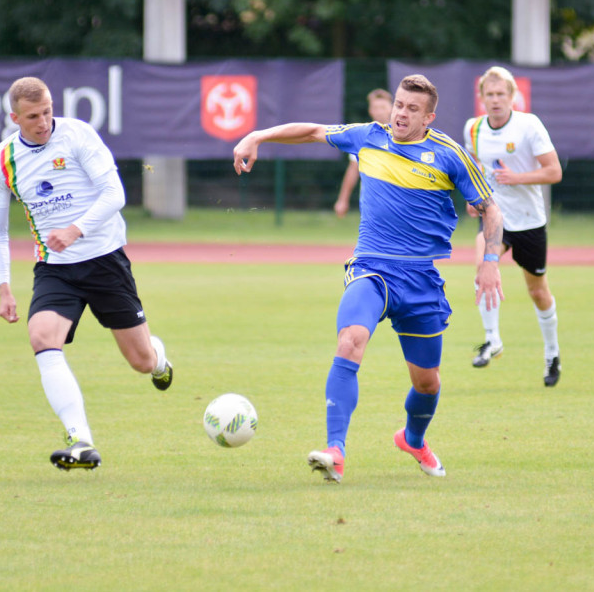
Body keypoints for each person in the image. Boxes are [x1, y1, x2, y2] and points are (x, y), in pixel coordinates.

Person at [233, 74, 503, 483]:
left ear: (429, 117)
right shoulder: (367, 137)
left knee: (427, 383)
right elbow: (312, 131)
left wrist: (490, 260)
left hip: (421, 280)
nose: (401, 114)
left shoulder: (449, 154)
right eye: (399, 104)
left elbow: (490, 209)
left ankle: (413, 439)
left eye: (413, 109)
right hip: (371, 267)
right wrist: (258, 135)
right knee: (350, 342)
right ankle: (334, 450)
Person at [0, 76, 174, 471]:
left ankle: (159, 359)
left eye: (48, 111)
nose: (43, 122)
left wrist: (75, 230)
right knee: (41, 336)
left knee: (140, 361)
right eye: (33, 116)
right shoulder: (2, 159)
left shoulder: (77, 135)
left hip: (105, 260)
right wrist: (4, 287)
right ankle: (80, 440)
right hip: (54, 269)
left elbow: (115, 194)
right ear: (14, 117)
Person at [463, 66, 563, 386]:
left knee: (538, 291)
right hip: (496, 218)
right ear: (481, 98)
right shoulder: (473, 129)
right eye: (489, 94)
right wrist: (472, 196)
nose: (495, 100)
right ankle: (492, 339)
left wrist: (517, 178)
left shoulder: (528, 125)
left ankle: (552, 354)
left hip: (530, 222)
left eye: (500, 94)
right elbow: (473, 169)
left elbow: (554, 172)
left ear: (512, 96)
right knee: (483, 268)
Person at [333, 88, 393, 218]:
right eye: (375, 107)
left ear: (391, 108)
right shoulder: (363, 135)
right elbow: (353, 169)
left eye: (382, 107)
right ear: (370, 110)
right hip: (371, 204)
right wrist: (343, 199)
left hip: (396, 203)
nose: (379, 111)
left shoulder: (402, 135)